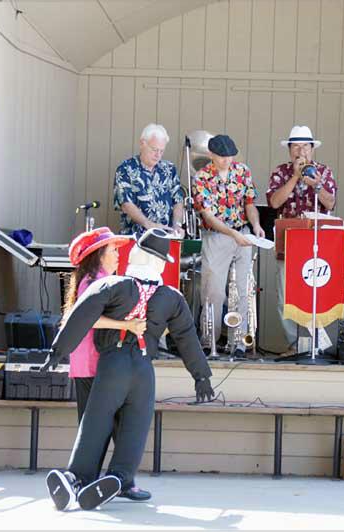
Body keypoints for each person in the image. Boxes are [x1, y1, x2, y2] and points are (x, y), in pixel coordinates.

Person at [44, 228, 214, 511]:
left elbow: (81, 314)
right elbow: (186, 337)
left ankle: (77, 478)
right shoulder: (171, 297)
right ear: (159, 263)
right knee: (134, 428)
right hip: (144, 369)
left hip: (113, 364)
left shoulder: (114, 286)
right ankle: (120, 478)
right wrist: (201, 376)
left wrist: (57, 350)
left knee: (95, 423)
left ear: (135, 256)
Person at [62, 227, 147, 496]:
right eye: (112, 250)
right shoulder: (94, 281)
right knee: (99, 427)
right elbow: (88, 318)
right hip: (93, 363)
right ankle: (97, 481)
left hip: (95, 364)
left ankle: (110, 480)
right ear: (98, 254)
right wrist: (128, 325)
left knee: (103, 426)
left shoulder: (95, 279)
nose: (117, 254)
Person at [266, 126, 338, 356]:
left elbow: (330, 203)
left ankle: (317, 344)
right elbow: (275, 203)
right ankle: (295, 344)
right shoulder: (280, 172)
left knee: (316, 290)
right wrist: (295, 177)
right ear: (289, 150)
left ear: (312, 149)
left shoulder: (324, 172)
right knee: (285, 295)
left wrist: (315, 185)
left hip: (317, 242)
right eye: (296, 146)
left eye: (305, 146)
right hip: (288, 239)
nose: (301, 151)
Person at [193, 134, 265, 355]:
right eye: (223, 157)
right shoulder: (201, 177)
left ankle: (240, 341)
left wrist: (256, 226)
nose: (227, 160)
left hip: (243, 233)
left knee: (243, 290)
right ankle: (210, 341)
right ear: (212, 155)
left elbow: (250, 202)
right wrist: (232, 233)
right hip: (217, 235)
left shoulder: (242, 171)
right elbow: (208, 215)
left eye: (230, 156)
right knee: (214, 290)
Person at [114, 123, 185, 237]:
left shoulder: (169, 169)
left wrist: (177, 225)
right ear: (142, 143)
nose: (158, 155)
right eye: (154, 150)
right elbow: (126, 204)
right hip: (136, 237)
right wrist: (149, 224)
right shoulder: (126, 169)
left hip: (165, 237)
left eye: (161, 151)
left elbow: (178, 200)